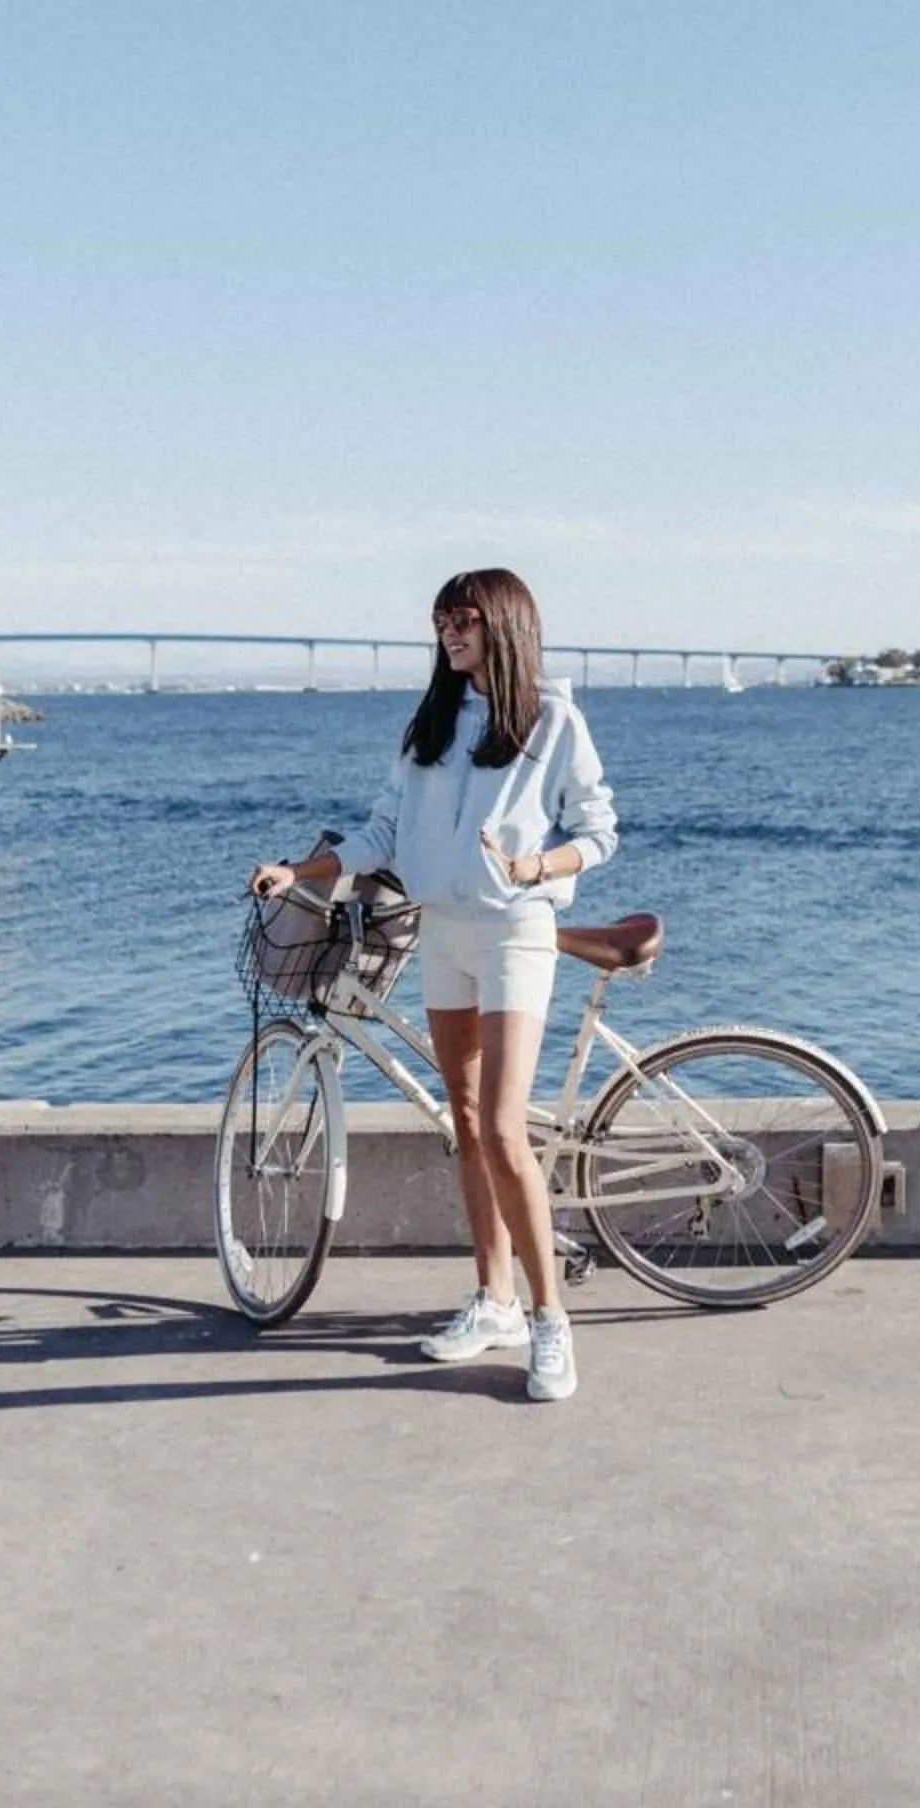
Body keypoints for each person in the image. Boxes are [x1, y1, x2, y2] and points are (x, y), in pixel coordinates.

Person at [247, 569, 616, 1402]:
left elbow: (599, 832)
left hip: (517, 931)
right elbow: (382, 832)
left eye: (465, 619)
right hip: (441, 933)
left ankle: (552, 1318)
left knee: (502, 1125)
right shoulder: (432, 724)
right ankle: (495, 1300)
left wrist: (536, 866)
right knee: (466, 1127)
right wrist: (298, 871)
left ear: (505, 623)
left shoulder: (553, 720)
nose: (450, 633)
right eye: (441, 620)